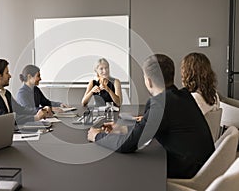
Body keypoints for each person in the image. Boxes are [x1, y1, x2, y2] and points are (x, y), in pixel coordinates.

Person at [87, 54, 215, 179]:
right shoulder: (182, 96)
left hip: (191, 172)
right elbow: (147, 127)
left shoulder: (162, 104)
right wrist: (122, 129)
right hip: (206, 167)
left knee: (128, 168)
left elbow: (128, 144)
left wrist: (97, 136)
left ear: (148, 81)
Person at [0, 59, 48, 125]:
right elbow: (3, 118)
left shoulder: (6, 93)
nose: (10, 76)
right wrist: (35, 118)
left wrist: (42, 110)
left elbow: (21, 110)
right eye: (7, 73)